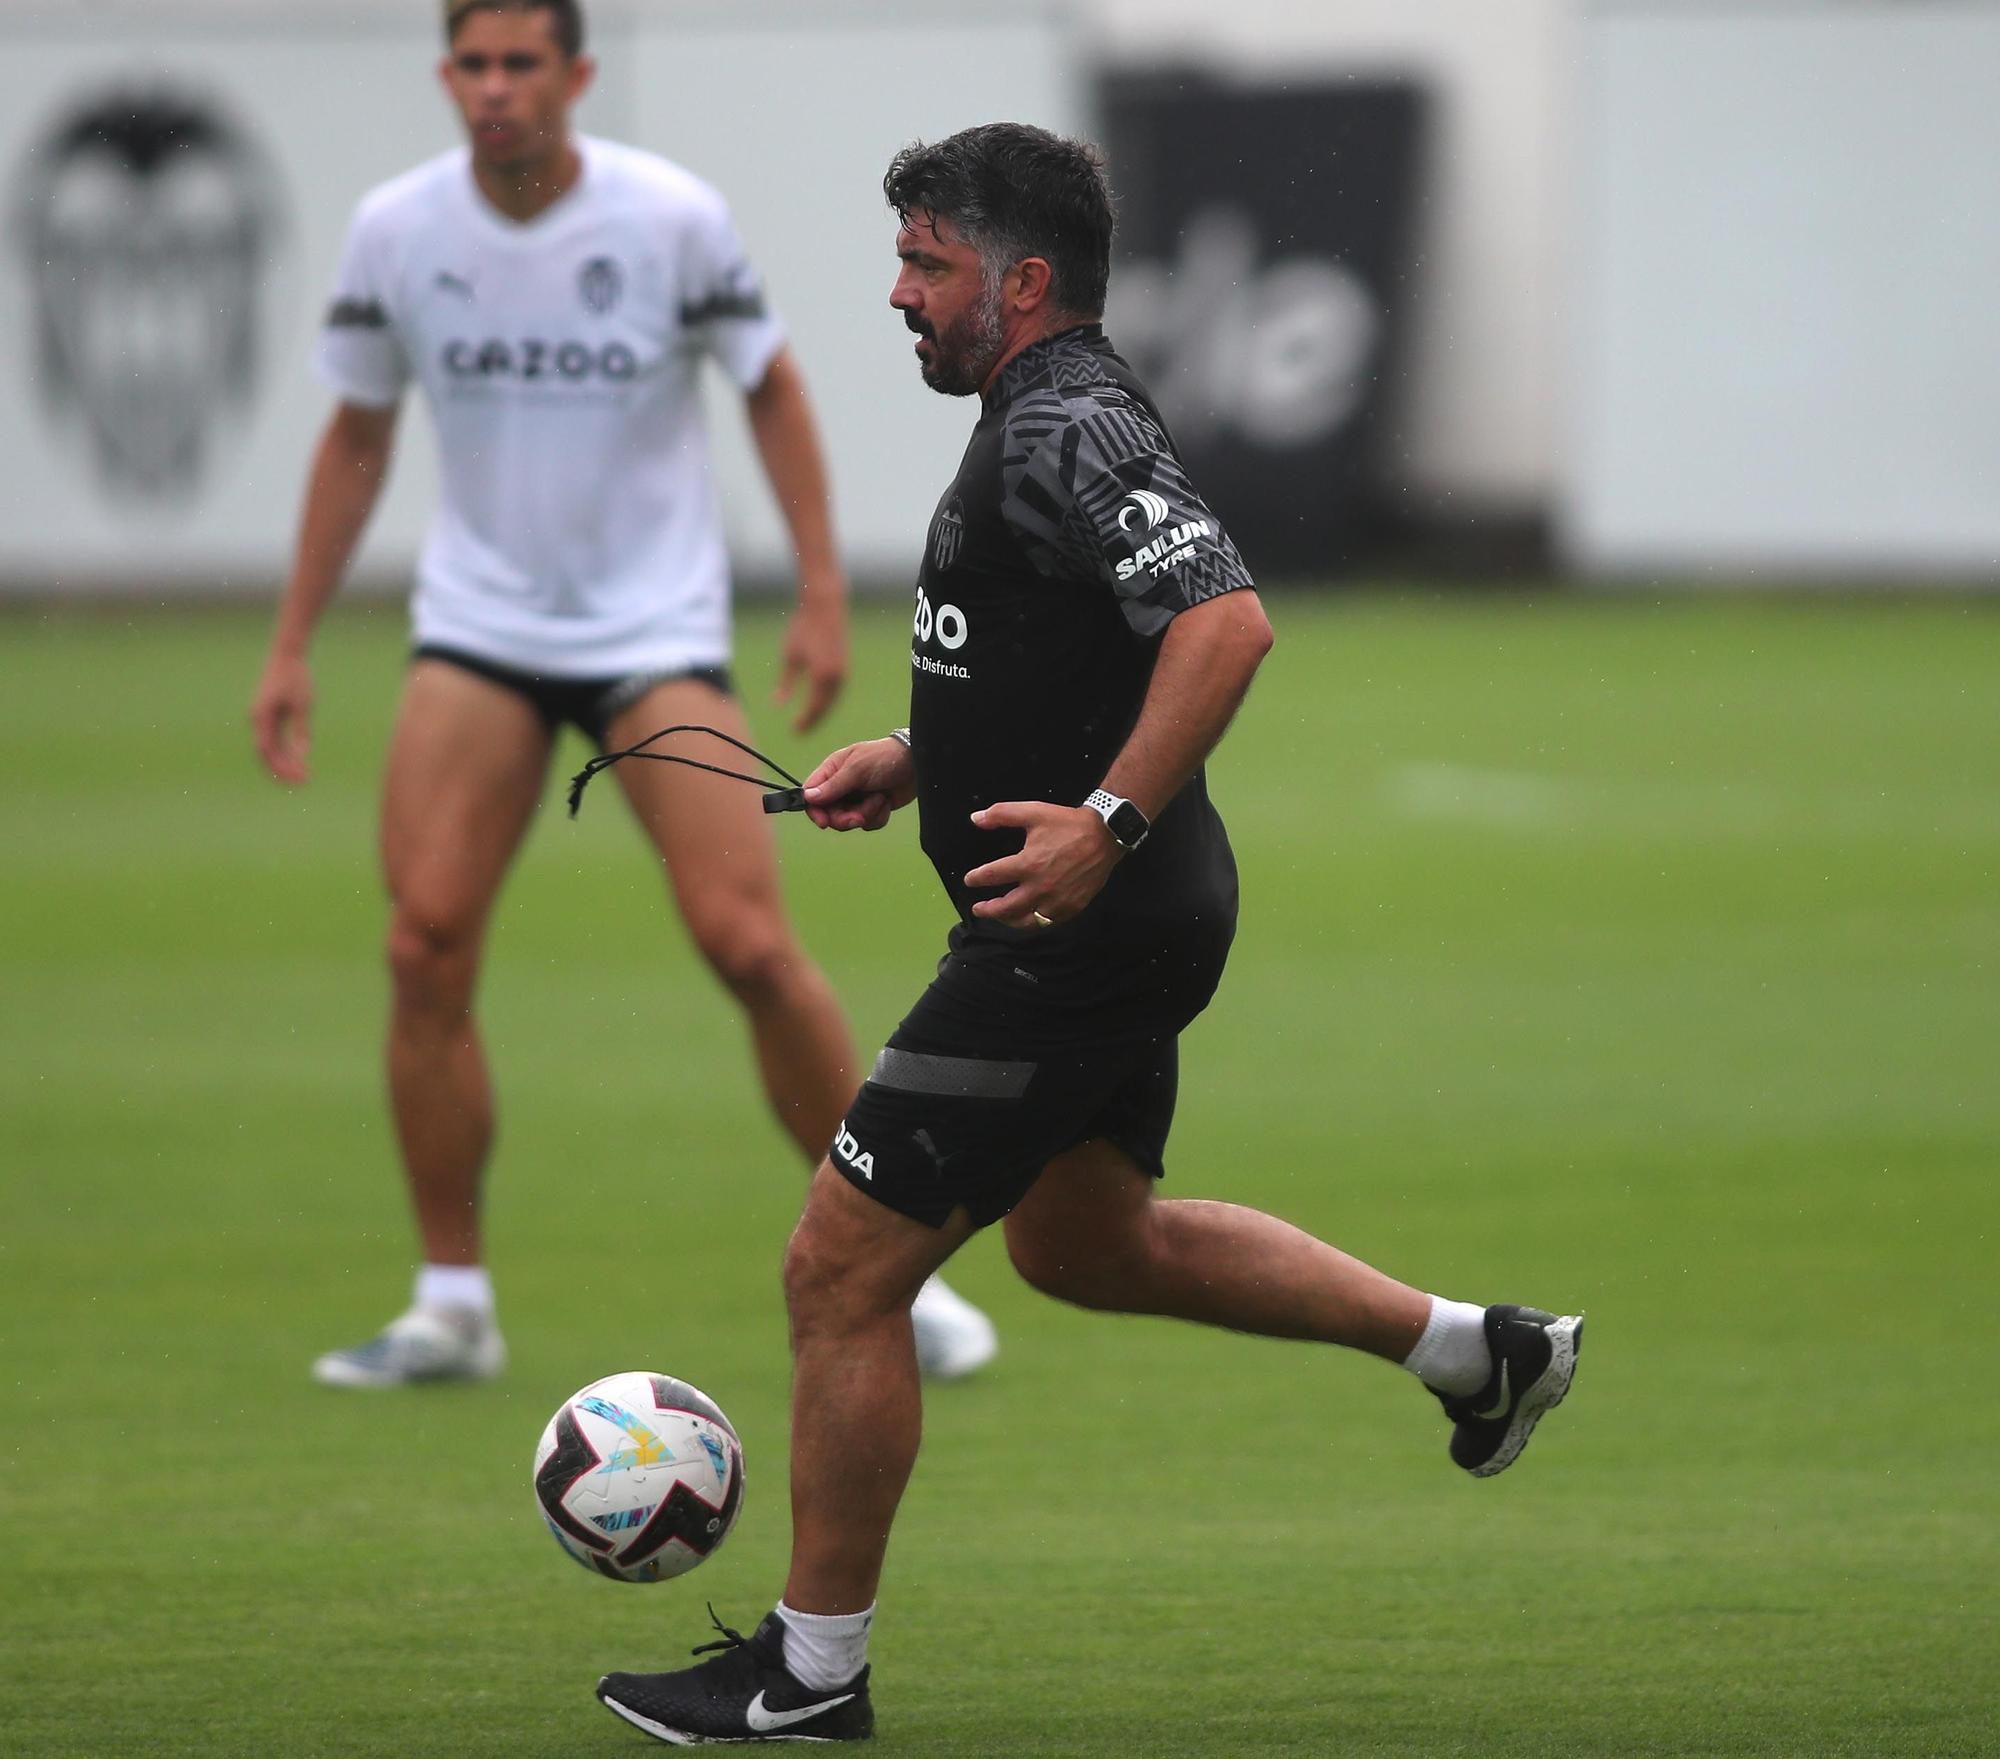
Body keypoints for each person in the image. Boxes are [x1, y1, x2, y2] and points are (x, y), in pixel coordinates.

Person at [593, 123, 1584, 1745]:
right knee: (1084, 1246)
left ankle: (808, 1675)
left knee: (839, 1270)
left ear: (1023, 279)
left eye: (929, 263)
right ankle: (1478, 1354)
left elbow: (1225, 623)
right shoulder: (1038, 419)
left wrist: (1101, 825)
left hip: (1084, 932)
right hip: (1128, 914)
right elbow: (1069, 646)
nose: (900, 293)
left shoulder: (1069, 422)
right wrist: (925, 760)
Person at [250, 0, 995, 1389]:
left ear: (576, 78)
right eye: (473, 66)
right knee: (423, 944)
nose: (497, 91)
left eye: (524, 65)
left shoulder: (666, 219)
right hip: (479, 629)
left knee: (750, 944)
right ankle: (451, 1302)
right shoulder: (397, 231)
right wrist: (289, 641)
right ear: (447, 78)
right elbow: (355, 438)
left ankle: (904, 1257)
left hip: (654, 636)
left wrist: (825, 594)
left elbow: (769, 384)